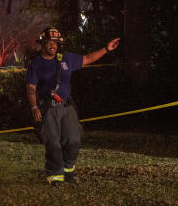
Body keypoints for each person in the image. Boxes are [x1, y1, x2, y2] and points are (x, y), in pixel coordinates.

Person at [26, 26, 120, 184]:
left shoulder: (66, 58)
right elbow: (30, 88)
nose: (53, 46)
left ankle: (68, 171)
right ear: (42, 44)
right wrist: (34, 107)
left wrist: (106, 49)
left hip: (67, 106)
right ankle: (55, 176)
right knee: (53, 142)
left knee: (73, 139)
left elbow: (88, 58)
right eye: (49, 42)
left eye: (55, 43)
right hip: (48, 108)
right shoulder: (36, 64)